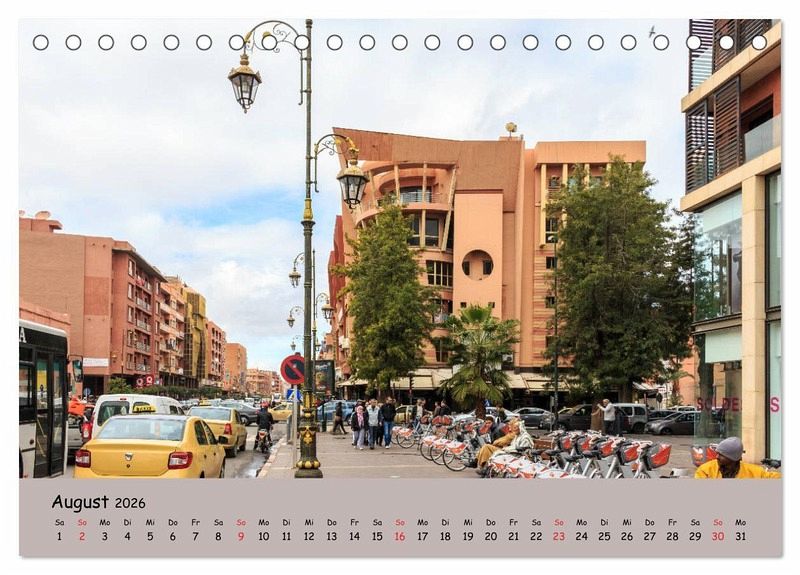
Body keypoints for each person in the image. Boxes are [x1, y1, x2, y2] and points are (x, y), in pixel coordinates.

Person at [695, 437, 781, 479]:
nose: (717, 457)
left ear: (733, 458)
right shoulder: (705, 470)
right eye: (717, 453)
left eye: (721, 455)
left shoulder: (754, 472)